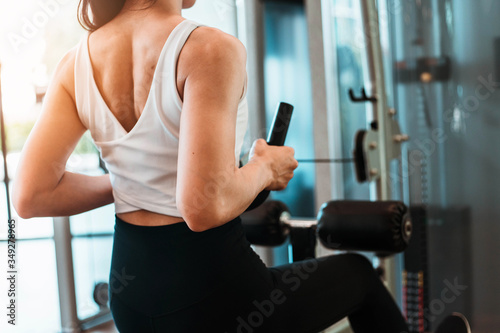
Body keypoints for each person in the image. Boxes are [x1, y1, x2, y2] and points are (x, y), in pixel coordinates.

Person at [12, 0, 410, 332]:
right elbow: (204, 207)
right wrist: (265, 168)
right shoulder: (208, 48)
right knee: (359, 276)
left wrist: (133, 184)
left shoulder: (76, 63)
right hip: (213, 293)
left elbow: (32, 195)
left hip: (131, 298)